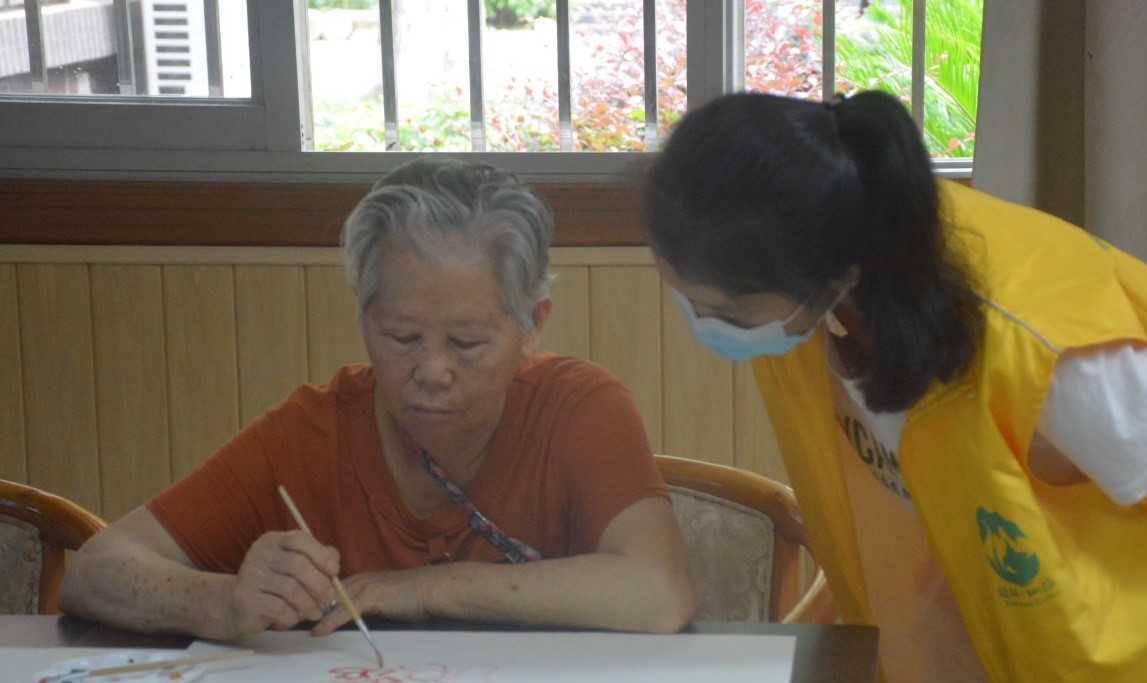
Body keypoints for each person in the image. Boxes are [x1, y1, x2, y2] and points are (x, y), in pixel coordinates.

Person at [640, 90, 1147, 683]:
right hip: (1068, 660)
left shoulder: (1053, 370)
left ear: (823, 275)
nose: (701, 326)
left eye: (720, 312)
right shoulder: (838, 284)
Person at [61, 158, 695, 641]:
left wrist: (427, 589)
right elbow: (95, 571)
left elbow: (659, 592)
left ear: (533, 325)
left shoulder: (579, 409)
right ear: (364, 318)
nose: (433, 372)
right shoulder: (312, 435)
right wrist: (223, 601)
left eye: (468, 343)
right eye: (402, 338)